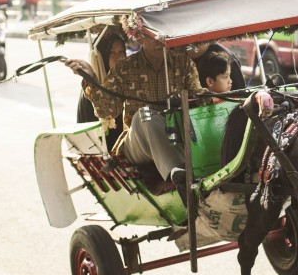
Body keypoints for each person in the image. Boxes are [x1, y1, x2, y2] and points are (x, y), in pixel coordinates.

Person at [64, 18, 204, 188]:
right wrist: (91, 79)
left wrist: (205, 96)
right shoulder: (124, 68)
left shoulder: (184, 64)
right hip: (136, 145)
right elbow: (106, 112)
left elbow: (199, 104)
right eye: (152, 33)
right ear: (138, 36)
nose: (159, 38)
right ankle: (180, 172)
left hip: (177, 135)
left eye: (161, 32)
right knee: (144, 115)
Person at [76, 29, 127, 150]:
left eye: (121, 52)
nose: (119, 57)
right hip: (101, 146)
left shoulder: (127, 79)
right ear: (103, 56)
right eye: (112, 53)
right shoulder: (92, 87)